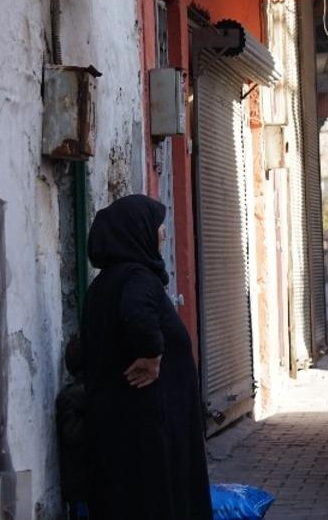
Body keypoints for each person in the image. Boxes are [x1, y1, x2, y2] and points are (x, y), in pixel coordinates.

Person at [80, 195, 211, 520]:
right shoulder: (138, 278)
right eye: (157, 225)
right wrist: (151, 355)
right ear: (136, 231)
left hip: (121, 427)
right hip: (147, 428)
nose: (163, 232)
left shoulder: (103, 285)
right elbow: (137, 316)